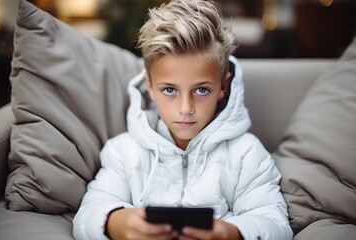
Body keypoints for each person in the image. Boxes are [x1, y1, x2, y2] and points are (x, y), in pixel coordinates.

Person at [73, 0, 293, 239]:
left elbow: (275, 223)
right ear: (149, 86)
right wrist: (116, 222)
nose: (186, 108)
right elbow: (88, 215)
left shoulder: (247, 154)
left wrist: (233, 233)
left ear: (223, 85)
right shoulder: (123, 152)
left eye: (201, 90)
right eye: (169, 90)